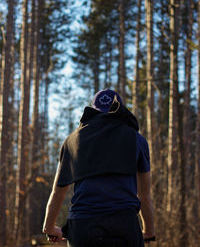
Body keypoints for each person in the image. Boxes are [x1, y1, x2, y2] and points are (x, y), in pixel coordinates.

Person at [43, 89, 155, 247]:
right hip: (124, 224)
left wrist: (49, 228)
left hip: (83, 226)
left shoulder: (72, 141)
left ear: (93, 110)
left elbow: (58, 193)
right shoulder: (136, 139)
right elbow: (144, 195)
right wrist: (149, 231)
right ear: (120, 110)